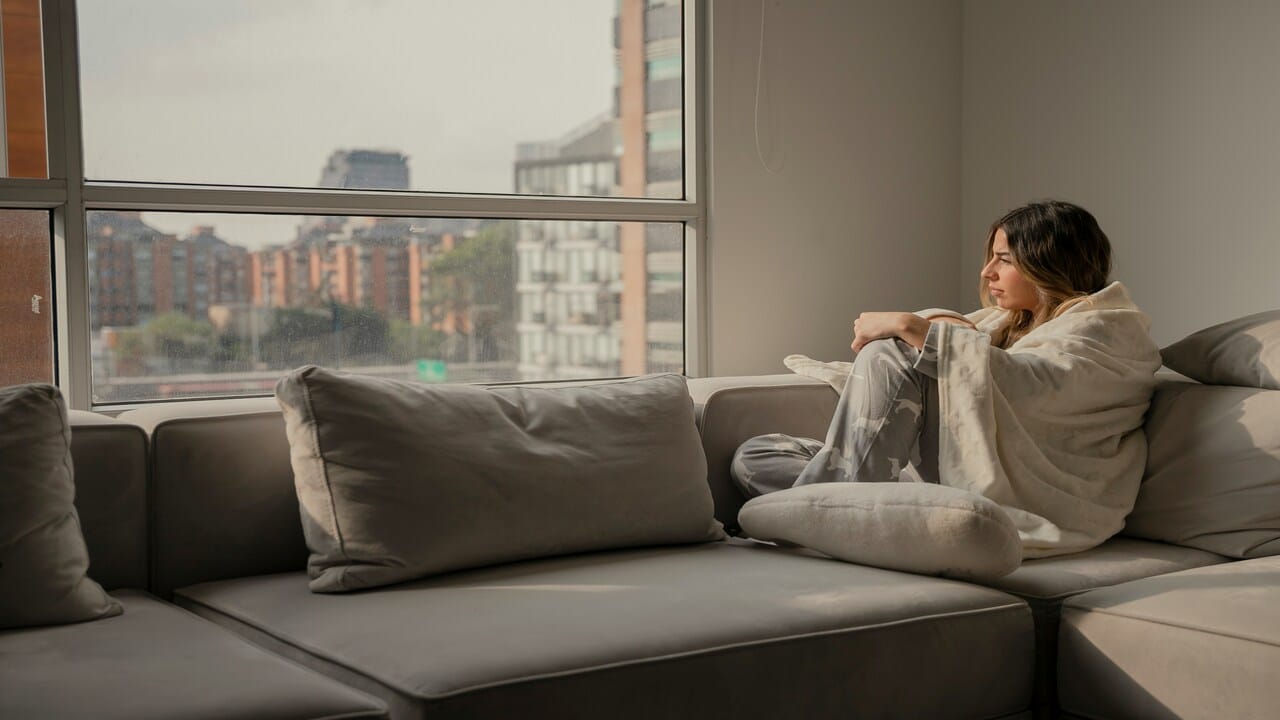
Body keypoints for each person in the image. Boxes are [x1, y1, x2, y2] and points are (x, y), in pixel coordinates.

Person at [731, 200, 1163, 558]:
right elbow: (969, 354)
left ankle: (827, 512)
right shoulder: (1003, 322)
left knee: (893, 352)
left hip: (1021, 496)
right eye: (990, 257)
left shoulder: (1106, 331)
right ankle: (839, 511)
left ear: (1048, 264)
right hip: (929, 478)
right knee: (756, 454)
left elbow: (1036, 382)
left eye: (1004, 260)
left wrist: (908, 324)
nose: (987, 272)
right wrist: (932, 328)